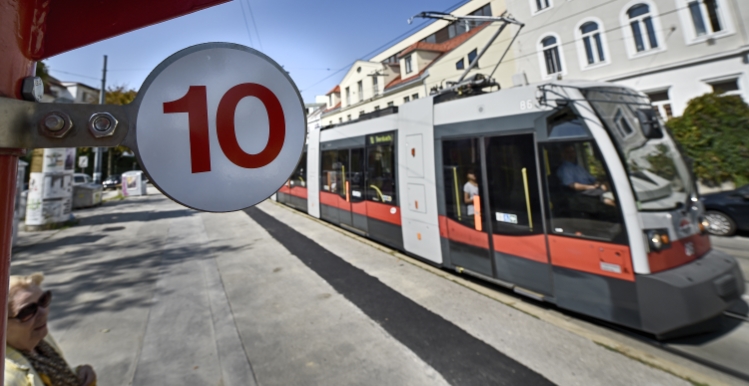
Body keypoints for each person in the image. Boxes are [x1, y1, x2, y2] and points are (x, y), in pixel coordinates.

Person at [5, 273, 96, 386]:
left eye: (43, 300)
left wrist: (78, 373)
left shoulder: (38, 338)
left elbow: (51, 376)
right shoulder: (9, 380)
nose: (43, 312)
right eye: (27, 311)